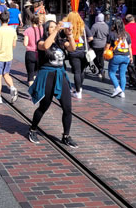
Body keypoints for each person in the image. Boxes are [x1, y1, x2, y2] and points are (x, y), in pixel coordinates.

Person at [28, 19, 78, 148]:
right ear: (46, 30)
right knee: (44, 106)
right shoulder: (41, 42)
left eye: (56, 26)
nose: (55, 28)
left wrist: (70, 34)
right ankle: (33, 129)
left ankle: (66, 135)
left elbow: (73, 48)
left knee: (67, 107)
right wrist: (56, 31)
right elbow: (45, 47)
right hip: (47, 76)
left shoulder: (61, 42)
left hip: (60, 75)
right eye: (51, 27)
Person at [0, 11, 18, 104]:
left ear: (0, 20)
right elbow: (14, 45)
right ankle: (12, 88)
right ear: (8, 20)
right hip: (9, 55)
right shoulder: (13, 30)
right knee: (6, 74)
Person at [65, 12, 92, 99]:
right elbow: (91, 37)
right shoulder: (83, 26)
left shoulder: (67, 26)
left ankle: (78, 91)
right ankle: (80, 88)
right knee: (81, 71)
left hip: (73, 52)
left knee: (76, 71)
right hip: (83, 51)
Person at [105, 19, 132, 98]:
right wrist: (131, 56)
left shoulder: (112, 34)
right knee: (122, 74)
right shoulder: (127, 34)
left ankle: (117, 87)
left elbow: (107, 46)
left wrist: (105, 53)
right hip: (126, 56)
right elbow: (130, 47)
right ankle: (122, 92)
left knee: (111, 72)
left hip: (116, 56)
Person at [23, 14, 44, 86]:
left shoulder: (28, 30)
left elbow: (25, 43)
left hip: (30, 53)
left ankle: (32, 93)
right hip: (40, 53)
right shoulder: (42, 29)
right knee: (37, 72)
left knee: (30, 74)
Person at [90, 13, 109, 80]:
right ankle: (101, 69)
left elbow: (91, 35)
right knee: (101, 57)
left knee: (94, 58)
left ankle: (100, 69)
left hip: (96, 44)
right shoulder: (106, 26)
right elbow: (107, 35)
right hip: (103, 44)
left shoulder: (95, 26)